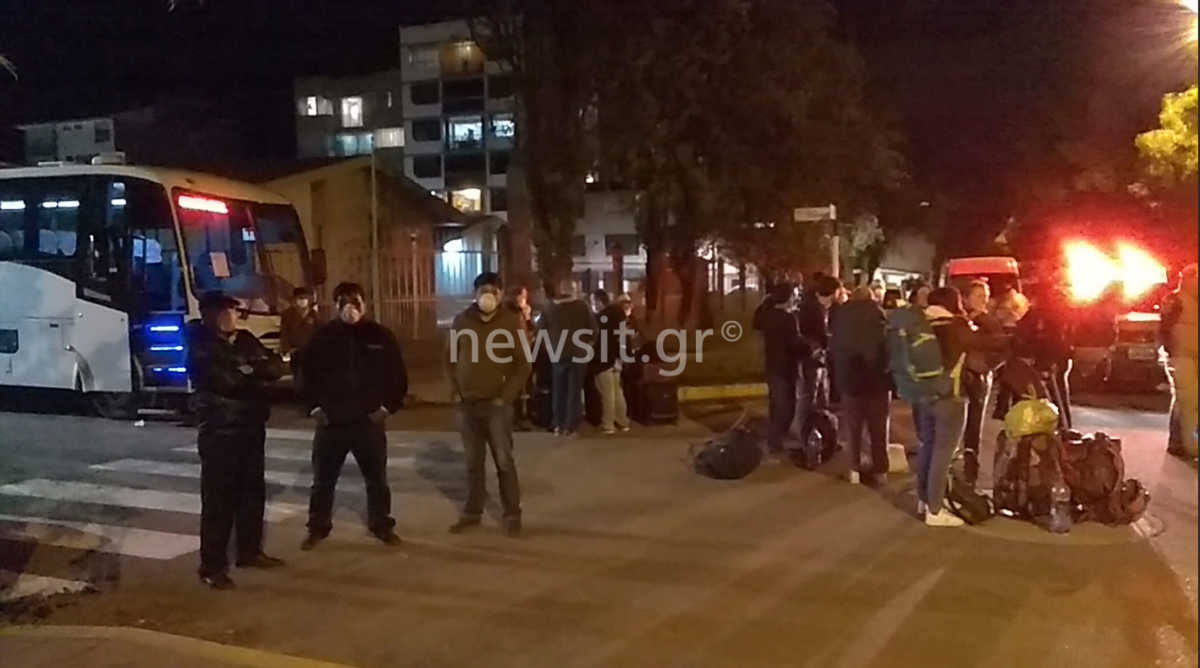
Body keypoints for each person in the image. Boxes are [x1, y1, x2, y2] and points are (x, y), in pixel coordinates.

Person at [186, 291, 286, 589]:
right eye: (224, 312)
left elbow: (275, 368)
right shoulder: (200, 346)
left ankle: (249, 551)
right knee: (219, 502)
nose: (231, 317)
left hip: (251, 427)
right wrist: (252, 371)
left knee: (252, 494)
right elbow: (226, 381)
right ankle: (212, 566)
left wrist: (250, 369)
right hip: (220, 432)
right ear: (209, 315)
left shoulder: (244, 340)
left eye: (233, 311)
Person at [299, 282, 408, 550]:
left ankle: (381, 524)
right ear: (335, 305)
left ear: (364, 304)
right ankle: (317, 526)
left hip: (367, 422)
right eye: (343, 302)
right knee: (323, 481)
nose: (350, 307)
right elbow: (305, 376)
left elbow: (397, 376)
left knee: (377, 480)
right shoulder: (322, 337)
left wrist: (387, 407)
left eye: (355, 301)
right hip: (331, 423)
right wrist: (314, 408)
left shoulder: (380, 336)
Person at [446, 272, 532, 535]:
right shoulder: (462, 321)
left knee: (504, 462)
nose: (487, 296)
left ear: (500, 294)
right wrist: (456, 392)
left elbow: (523, 365)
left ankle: (512, 514)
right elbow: (449, 359)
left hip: (497, 407)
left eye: (493, 291)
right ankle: (473, 512)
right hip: (467, 405)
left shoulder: (511, 322)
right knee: (473, 463)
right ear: (475, 294)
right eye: (482, 291)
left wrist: (505, 397)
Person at [920, 286, 1008, 527]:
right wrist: (985, 319)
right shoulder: (955, 326)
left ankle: (923, 499)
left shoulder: (921, 323)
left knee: (929, 447)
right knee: (943, 453)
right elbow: (993, 343)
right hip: (950, 395)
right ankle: (934, 510)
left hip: (924, 394)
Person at [830, 285, 891, 484]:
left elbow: (834, 349)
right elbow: (888, 349)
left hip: (850, 381)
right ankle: (880, 471)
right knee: (878, 429)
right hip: (877, 381)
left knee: (853, 428)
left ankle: (854, 469)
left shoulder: (840, 318)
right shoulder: (880, 316)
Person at [960, 280, 1008, 485]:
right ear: (966, 298)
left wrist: (988, 366)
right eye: (978, 296)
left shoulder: (989, 321)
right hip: (961, 375)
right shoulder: (961, 319)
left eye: (985, 297)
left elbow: (1003, 348)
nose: (983, 300)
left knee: (974, 422)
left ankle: (970, 466)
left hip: (978, 377)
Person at [753, 282, 804, 458]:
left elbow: (756, 321)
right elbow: (795, 344)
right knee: (786, 407)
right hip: (786, 367)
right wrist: (810, 349)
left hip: (772, 365)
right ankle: (775, 441)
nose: (796, 298)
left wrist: (767, 301)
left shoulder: (768, 315)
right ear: (788, 297)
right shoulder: (788, 319)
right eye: (794, 294)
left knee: (776, 405)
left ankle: (774, 440)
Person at [1015, 283, 1075, 429]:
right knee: (1058, 396)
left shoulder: (1042, 314)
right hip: (1056, 361)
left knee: (1049, 399)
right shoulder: (1060, 312)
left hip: (1048, 361)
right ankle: (1063, 427)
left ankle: (1058, 428)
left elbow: (1031, 336)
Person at [544, 278, 596, 437]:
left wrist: (550, 346)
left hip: (558, 353)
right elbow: (594, 329)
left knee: (559, 389)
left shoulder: (550, 308)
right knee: (574, 391)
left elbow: (541, 329)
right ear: (574, 290)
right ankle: (570, 426)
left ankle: (558, 424)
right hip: (579, 353)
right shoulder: (583, 307)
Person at [1161, 263, 1198, 458]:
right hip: (1181, 356)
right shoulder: (1175, 300)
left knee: (1185, 401)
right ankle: (1191, 445)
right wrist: (1171, 351)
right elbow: (1165, 328)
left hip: (1191, 356)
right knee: (1188, 400)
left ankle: (1178, 442)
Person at [796, 275, 842, 427]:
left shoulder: (821, 306)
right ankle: (805, 431)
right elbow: (814, 332)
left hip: (819, 356)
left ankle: (821, 429)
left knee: (821, 396)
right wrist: (827, 341)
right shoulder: (812, 308)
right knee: (809, 396)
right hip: (812, 357)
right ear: (832, 291)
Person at [593, 293, 634, 434]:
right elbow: (624, 338)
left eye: (595, 302)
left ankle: (608, 424)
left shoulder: (601, 317)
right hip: (616, 359)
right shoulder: (619, 315)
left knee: (607, 392)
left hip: (603, 359)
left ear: (599, 301)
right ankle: (623, 422)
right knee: (617, 391)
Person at [505, 284, 537, 431]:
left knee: (526, 386)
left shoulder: (523, 312)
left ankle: (524, 416)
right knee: (514, 387)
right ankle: (514, 419)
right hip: (511, 354)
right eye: (522, 296)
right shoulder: (508, 312)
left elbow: (532, 329)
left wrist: (528, 316)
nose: (525, 299)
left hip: (525, 352)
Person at [280, 287, 320, 376]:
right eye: (299, 298)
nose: (302, 301)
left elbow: (320, 333)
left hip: (311, 352)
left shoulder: (314, 315)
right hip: (294, 351)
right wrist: (285, 350)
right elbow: (284, 333)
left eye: (304, 298)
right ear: (295, 299)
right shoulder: (287, 315)